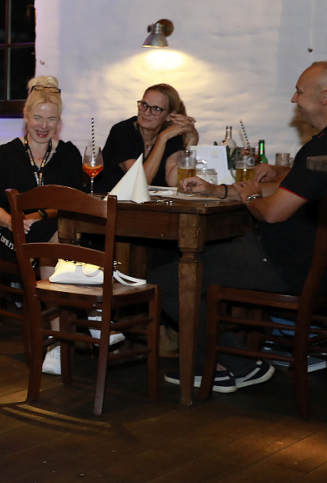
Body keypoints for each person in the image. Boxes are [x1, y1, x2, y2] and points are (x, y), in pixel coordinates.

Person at [152, 62, 327, 392]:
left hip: (283, 263)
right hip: (302, 262)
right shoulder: (319, 149)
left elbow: (272, 213)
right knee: (193, 262)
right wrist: (219, 191)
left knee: (168, 280)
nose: (293, 99)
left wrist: (249, 199)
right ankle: (215, 363)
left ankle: (239, 364)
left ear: (324, 98)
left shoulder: (320, 149)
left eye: (299, 92)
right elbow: (285, 189)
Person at [0, 88, 89, 372]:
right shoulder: (6, 154)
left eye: (51, 119)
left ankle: (57, 343)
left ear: (59, 122)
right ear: (26, 117)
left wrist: (39, 214)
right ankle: (87, 322)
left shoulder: (68, 153)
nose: (43, 125)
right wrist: (12, 221)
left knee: (55, 246)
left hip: (55, 233)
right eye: (37, 117)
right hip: (12, 234)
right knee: (61, 249)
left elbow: (73, 201)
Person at [96, 83, 198, 190]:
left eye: (156, 109)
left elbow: (173, 180)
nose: (147, 112)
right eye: (144, 105)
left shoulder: (171, 136)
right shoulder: (122, 131)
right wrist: (162, 138)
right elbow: (139, 182)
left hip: (149, 200)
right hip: (108, 198)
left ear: (170, 115)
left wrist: (192, 141)